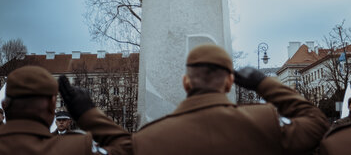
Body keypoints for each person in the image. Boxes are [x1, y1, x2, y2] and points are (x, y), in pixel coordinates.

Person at [132, 44, 329, 155]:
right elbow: (317, 123)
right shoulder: (263, 122)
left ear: (186, 82)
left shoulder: (145, 140)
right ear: (229, 83)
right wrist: (263, 83)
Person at [0, 65, 131, 154]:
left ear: (4, 105)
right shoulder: (76, 148)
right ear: (52, 106)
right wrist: (88, 114)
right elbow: (129, 149)